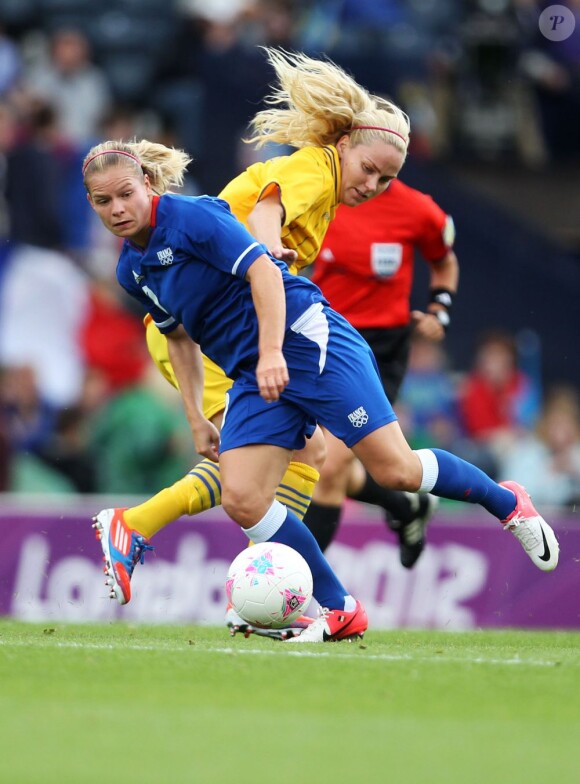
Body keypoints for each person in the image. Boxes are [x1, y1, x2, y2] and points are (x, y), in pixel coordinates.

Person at [84, 136, 559, 643]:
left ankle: (507, 503)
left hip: (307, 342)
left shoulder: (191, 217)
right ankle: (341, 607)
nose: (117, 209)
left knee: (396, 469)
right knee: (243, 497)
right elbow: (175, 336)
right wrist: (195, 416)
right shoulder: (130, 270)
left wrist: (270, 353)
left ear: (149, 184)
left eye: (125, 194)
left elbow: (265, 269)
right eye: (102, 201)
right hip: (254, 370)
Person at [92, 48, 416, 629]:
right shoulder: (316, 168)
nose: (375, 185)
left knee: (308, 454)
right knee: (260, 461)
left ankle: (263, 597)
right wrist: (269, 271)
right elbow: (268, 212)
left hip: (215, 325)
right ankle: (139, 528)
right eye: (372, 170)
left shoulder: (323, 177)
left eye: (387, 180)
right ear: (346, 146)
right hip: (218, 329)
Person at [302, 178, 459, 567]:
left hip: (379, 350)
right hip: (320, 337)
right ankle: (406, 502)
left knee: (331, 465)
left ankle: (299, 585)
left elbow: (444, 260)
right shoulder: (320, 193)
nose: (371, 179)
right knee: (323, 465)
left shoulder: (418, 209)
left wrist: (440, 308)